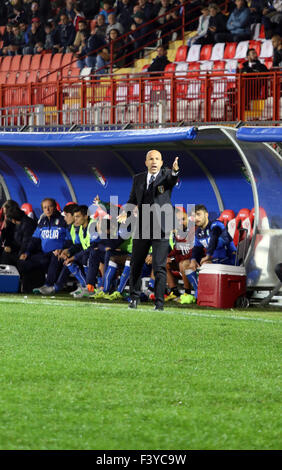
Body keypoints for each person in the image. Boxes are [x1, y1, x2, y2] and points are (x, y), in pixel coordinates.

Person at [117, 149, 180, 311]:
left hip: (162, 227)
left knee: (159, 266)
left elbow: (172, 180)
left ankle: (159, 303)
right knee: (136, 264)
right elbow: (132, 200)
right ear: (146, 162)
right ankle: (134, 299)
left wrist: (175, 171)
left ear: (161, 162)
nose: (154, 162)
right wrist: (126, 212)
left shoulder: (166, 175)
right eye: (151, 159)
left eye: (157, 159)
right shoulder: (137, 179)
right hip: (143, 226)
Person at [185, 204, 237, 299]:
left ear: (206, 215)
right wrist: (193, 260)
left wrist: (208, 256)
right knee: (188, 268)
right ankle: (200, 292)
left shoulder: (216, 225)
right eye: (194, 216)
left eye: (198, 214)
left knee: (206, 265)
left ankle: (207, 294)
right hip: (214, 261)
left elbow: (214, 238)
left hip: (229, 259)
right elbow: (196, 248)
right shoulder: (198, 232)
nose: (196, 218)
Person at [17, 198, 67, 293]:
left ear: (55, 207)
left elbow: (69, 239)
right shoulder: (42, 221)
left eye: (50, 207)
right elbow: (34, 240)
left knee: (54, 257)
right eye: (45, 208)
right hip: (44, 254)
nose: (47, 210)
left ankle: (49, 285)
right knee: (25, 261)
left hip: (59, 253)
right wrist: (27, 252)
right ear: (43, 210)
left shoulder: (63, 221)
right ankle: (27, 287)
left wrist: (62, 248)